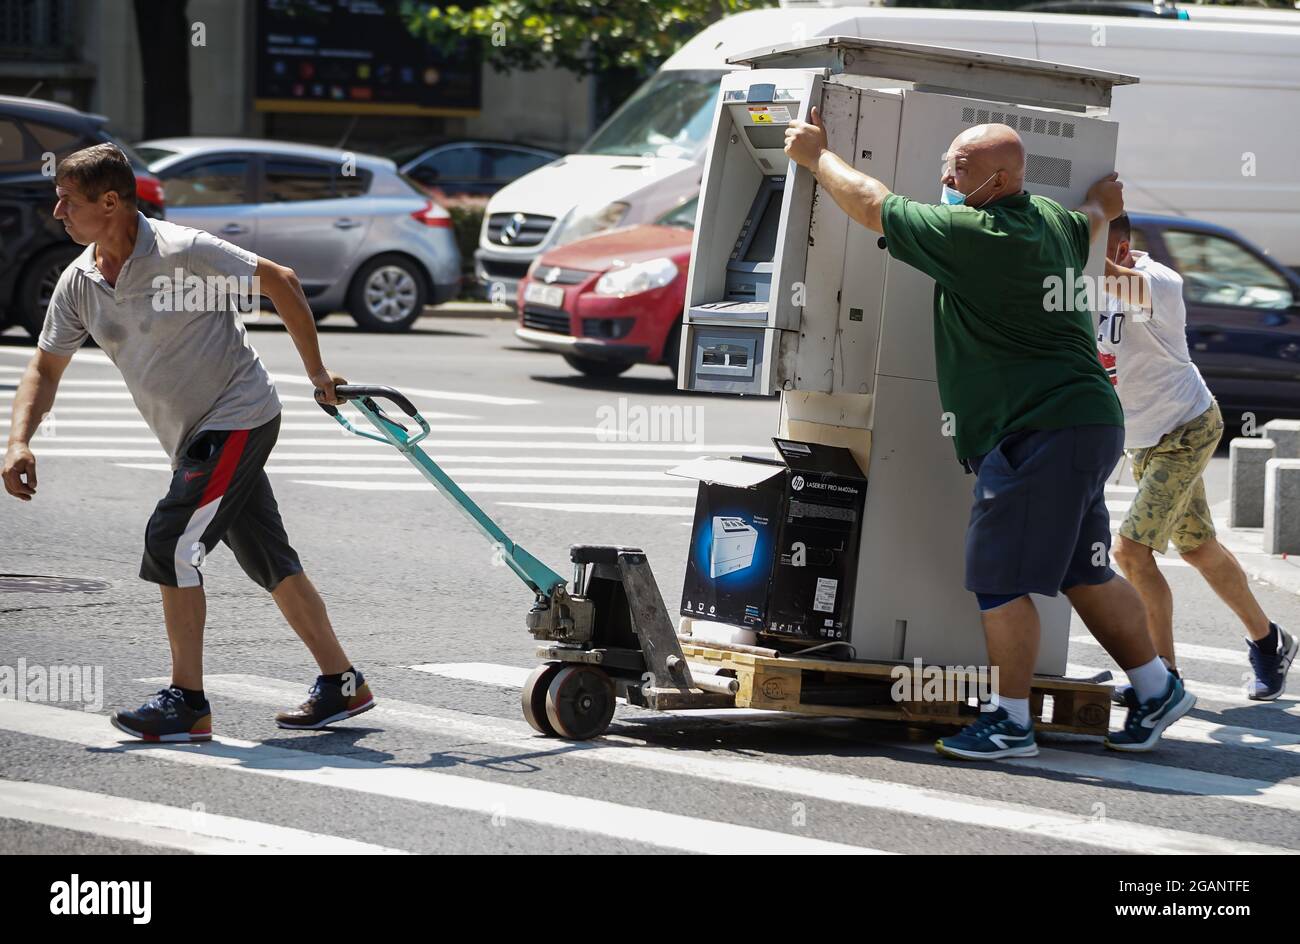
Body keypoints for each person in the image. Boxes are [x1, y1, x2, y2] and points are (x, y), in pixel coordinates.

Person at [784, 111, 1194, 759]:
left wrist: (815, 157)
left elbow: (872, 205)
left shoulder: (973, 234)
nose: (948, 175)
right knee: (1080, 570)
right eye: (948, 161)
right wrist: (1104, 203)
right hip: (1082, 422)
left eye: (963, 168)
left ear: (1001, 179)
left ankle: (1010, 722)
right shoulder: (1050, 224)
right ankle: (1154, 687)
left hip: (1041, 429)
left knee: (997, 573)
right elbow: (1087, 218)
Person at [2, 143, 376, 741]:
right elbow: (44, 369)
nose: (56, 212)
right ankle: (343, 682)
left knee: (171, 539)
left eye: (67, 201)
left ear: (109, 201)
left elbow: (279, 280)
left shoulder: (183, 251)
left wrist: (317, 373)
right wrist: (18, 441)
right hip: (191, 437)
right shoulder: (80, 282)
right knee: (268, 560)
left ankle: (187, 702)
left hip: (239, 416)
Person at [1100, 213, 1295, 700]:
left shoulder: (1159, 283)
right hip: (1143, 437)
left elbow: (1104, 278)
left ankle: (1161, 680)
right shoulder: (1081, 285)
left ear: (1120, 250)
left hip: (1186, 428)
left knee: (1130, 551)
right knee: (1198, 548)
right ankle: (1270, 642)